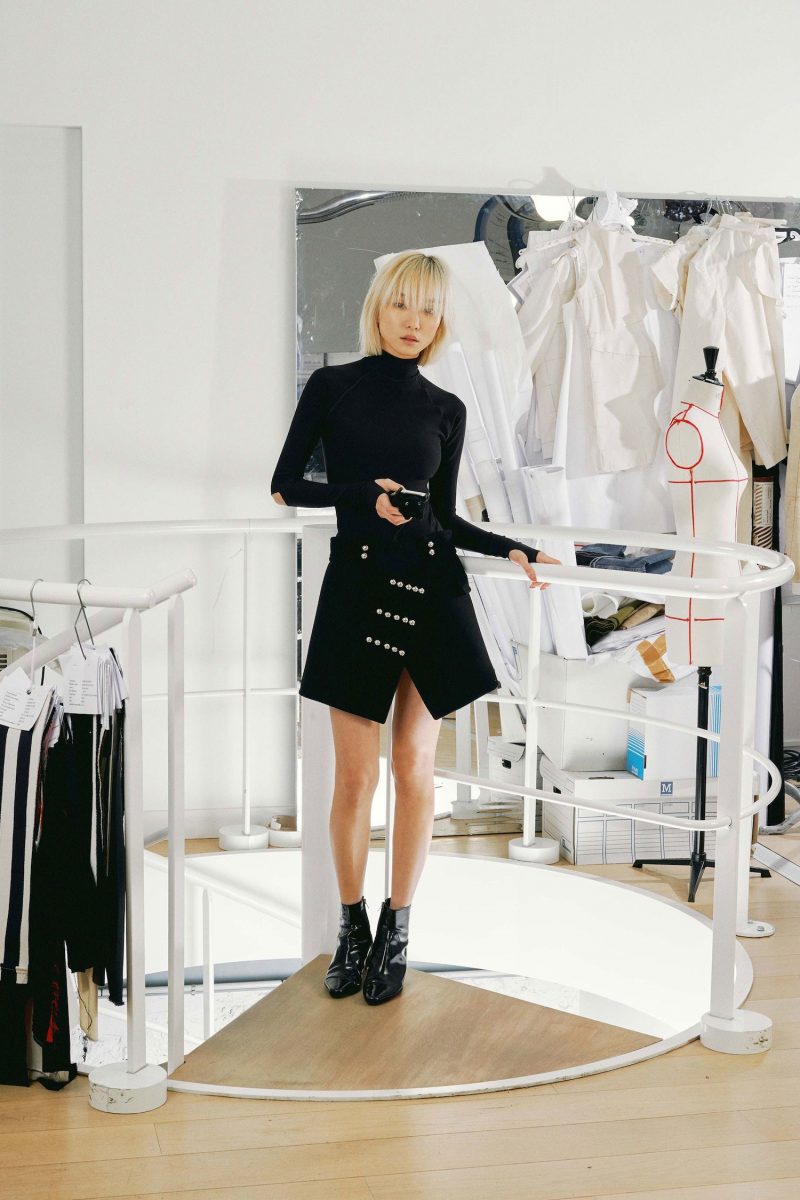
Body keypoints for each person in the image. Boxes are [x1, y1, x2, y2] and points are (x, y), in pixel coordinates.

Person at [270, 250, 559, 1006]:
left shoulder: (446, 408)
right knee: (354, 776)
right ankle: (352, 928)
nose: (414, 321)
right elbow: (286, 485)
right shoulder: (332, 386)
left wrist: (512, 546)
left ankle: (398, 930)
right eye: (403, 304)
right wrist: (361, 495)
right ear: (380, 306)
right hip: (357, 587)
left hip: (431, 588)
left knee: (414, 767)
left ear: (439, 323)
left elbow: (448, 518)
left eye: (429, 310)